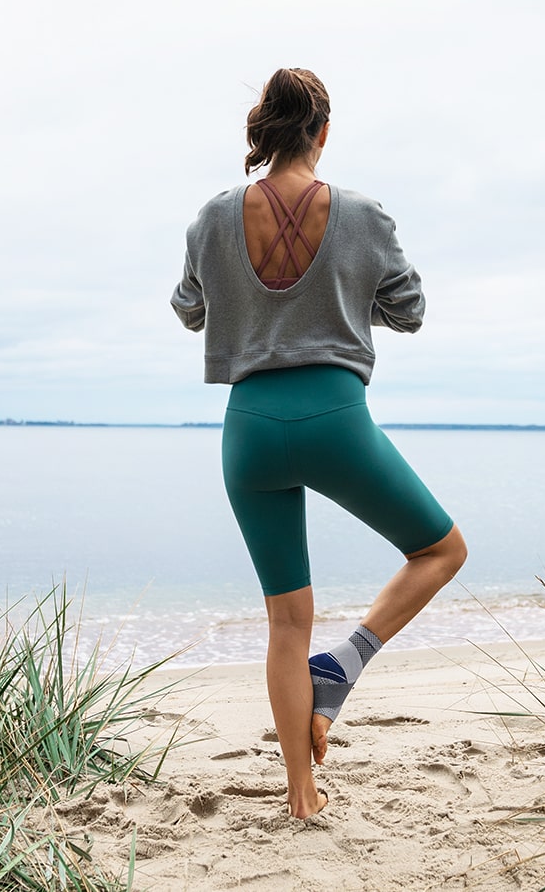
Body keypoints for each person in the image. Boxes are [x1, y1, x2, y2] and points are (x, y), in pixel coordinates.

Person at [171, 67, 467, 820]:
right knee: (441, 551)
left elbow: (189, 310)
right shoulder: (364, 214)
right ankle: (345, 665)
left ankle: (302, 795)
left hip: (250, 430)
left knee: (285, 619)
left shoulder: (211, 216)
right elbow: (411, 311)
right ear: (323, 133)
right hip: (336, 418)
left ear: (260, 131)